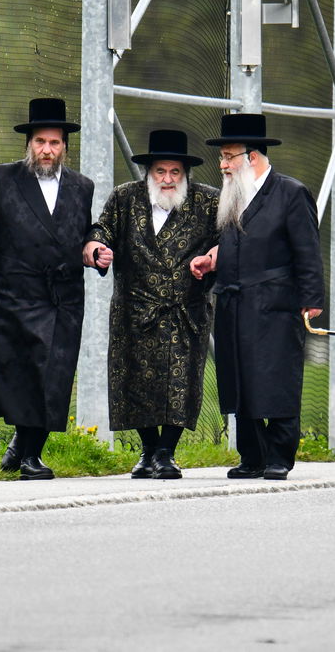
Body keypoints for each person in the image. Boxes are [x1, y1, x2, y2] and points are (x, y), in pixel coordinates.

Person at [0, 97, 94, 480]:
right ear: (29, 144)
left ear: (64, 146)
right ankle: (25, 447)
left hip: (64, 298)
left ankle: (28, 452)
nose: (47, 150)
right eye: (40, 142)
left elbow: (84, 234)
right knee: (21, 375)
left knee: (54, 377)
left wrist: (94, 248)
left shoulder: (82, 187)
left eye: (54, 143)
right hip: (11, 296)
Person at [189, 113, 324, 481]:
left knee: (276, 379)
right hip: (234, 304)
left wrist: (312, 299)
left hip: (274, 305)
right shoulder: (234, 195)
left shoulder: (290, 193)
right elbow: (238, 246)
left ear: (251, 157)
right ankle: (253, 456)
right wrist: (212, 260)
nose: (222, 164)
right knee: (240, 382)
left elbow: (307, 251)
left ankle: (279, 456)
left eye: (228, 156)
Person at [82, 129, 220, 480]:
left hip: (184, 311)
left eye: (175, 172)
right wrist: (97, 250)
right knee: (134, 382)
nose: (168, 179)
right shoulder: (125, 197)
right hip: (134, 309)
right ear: (149, 172)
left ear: (185, 173)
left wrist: (211, 258)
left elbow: (229, 240)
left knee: (181, 383)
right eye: (161, 171)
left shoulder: (208, 202)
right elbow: (101, 230)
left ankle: (165, 452)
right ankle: (148, 450)